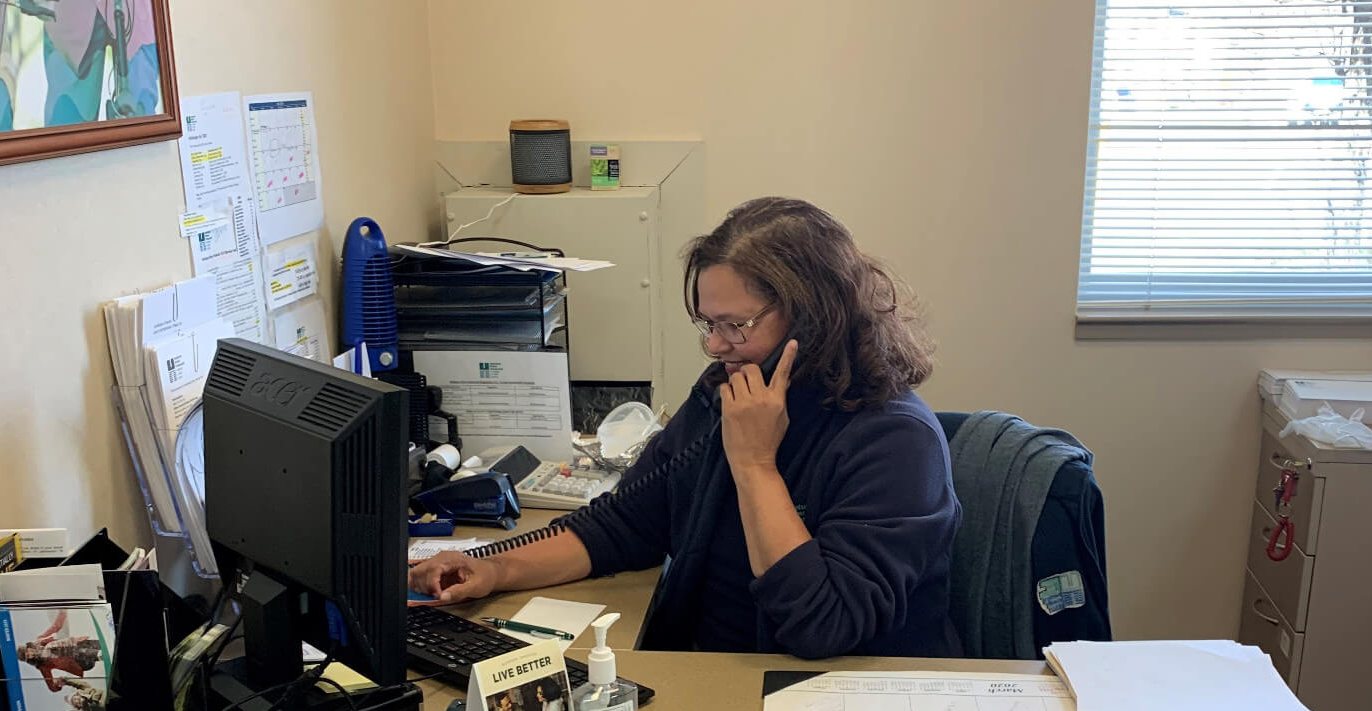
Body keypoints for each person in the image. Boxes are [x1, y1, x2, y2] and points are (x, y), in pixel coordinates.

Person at [409, 198, 961, 659]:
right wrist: (492, 569)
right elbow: (627, 523)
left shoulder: (896, 442)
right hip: (716, 673)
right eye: (709, 325)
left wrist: (755, 465)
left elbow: (823, 626)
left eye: (736, 326)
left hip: (831, 706)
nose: (718, 347)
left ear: (815, 320)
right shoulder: (729, 392)